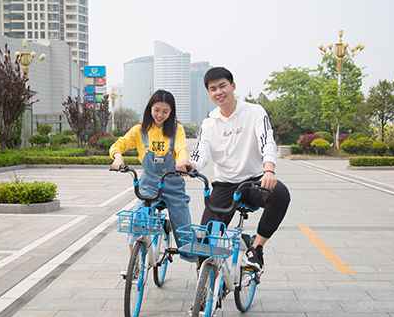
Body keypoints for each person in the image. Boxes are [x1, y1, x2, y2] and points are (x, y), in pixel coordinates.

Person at [188, 67, 290, 272]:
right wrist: (191, 165)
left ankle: (256, 248)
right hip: (224, 186)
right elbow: (201, 152)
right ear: (209, 93)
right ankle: (207, 287)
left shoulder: (254, 112)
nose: (219, 92)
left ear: (233, 86)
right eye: (213, 89)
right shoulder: (209, 123)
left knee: (280, 194)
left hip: (254, 182)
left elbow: (267, 141)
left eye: (222, 86)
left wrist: (269, 169)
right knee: (204, 247)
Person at [110, 89, 193, 260]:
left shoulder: (177, 129)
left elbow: (181, 148)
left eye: (165, 111)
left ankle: (196, 261)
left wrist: (182, 162)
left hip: (173, 186)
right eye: (156, 110)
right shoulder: (139, 130)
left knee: (184, 230)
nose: (160, 115)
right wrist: (117, 157)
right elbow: (119, 144)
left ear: (171, 112)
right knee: (136, 221)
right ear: (150, 109)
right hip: (148, 185)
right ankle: (135, 264)